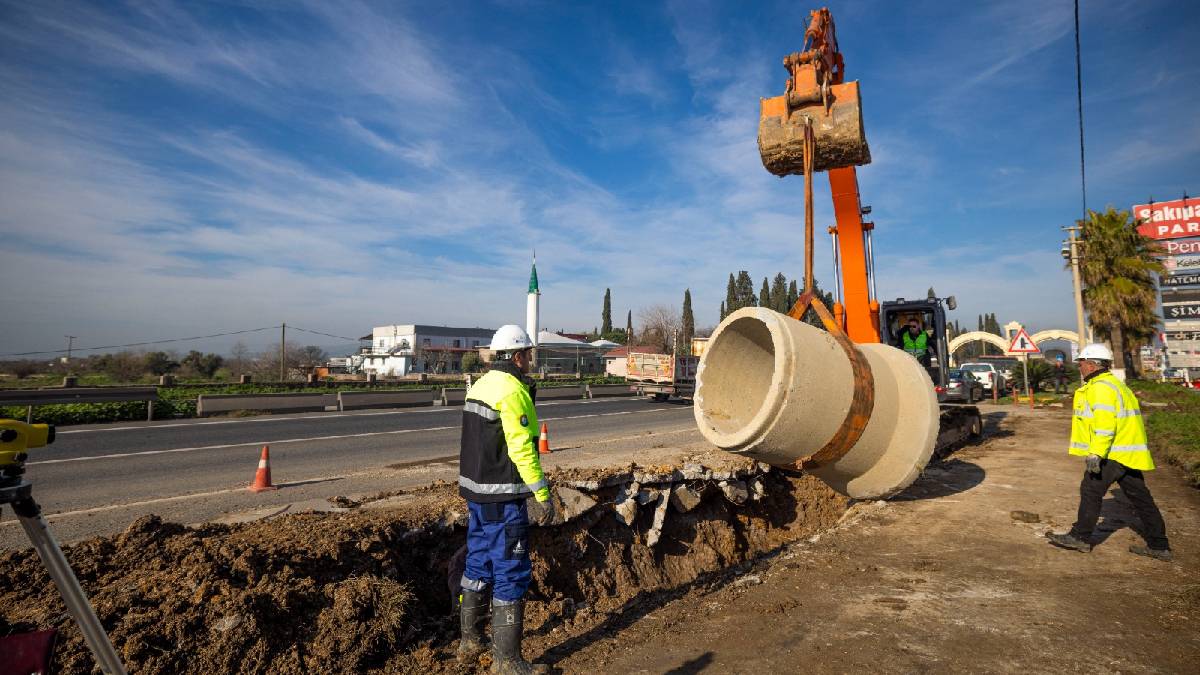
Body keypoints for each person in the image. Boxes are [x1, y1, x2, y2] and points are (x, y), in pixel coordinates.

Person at [457, 324, 556, 674]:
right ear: (516, 356)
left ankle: (470, 641)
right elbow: (522, 449)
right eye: (527, 354)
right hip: (503, 497)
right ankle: (507, 662)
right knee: (510, 571)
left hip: (477, 495)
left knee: (478, 564)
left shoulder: (481, 385)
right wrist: (542, 494)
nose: (529, 360)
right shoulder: (513, 391)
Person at [1047, 344, 1172, 561]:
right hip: (1126, 453)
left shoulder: (1101, 388)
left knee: (1090, 490)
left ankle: (1080, 537)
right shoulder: (1115, 384)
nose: (1079, 368)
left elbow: (1105, 425)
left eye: (1081, 363)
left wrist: (1096, 453)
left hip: (1112, 452)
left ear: (1091, 364)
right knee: (1141, 498)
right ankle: (1159, 545)